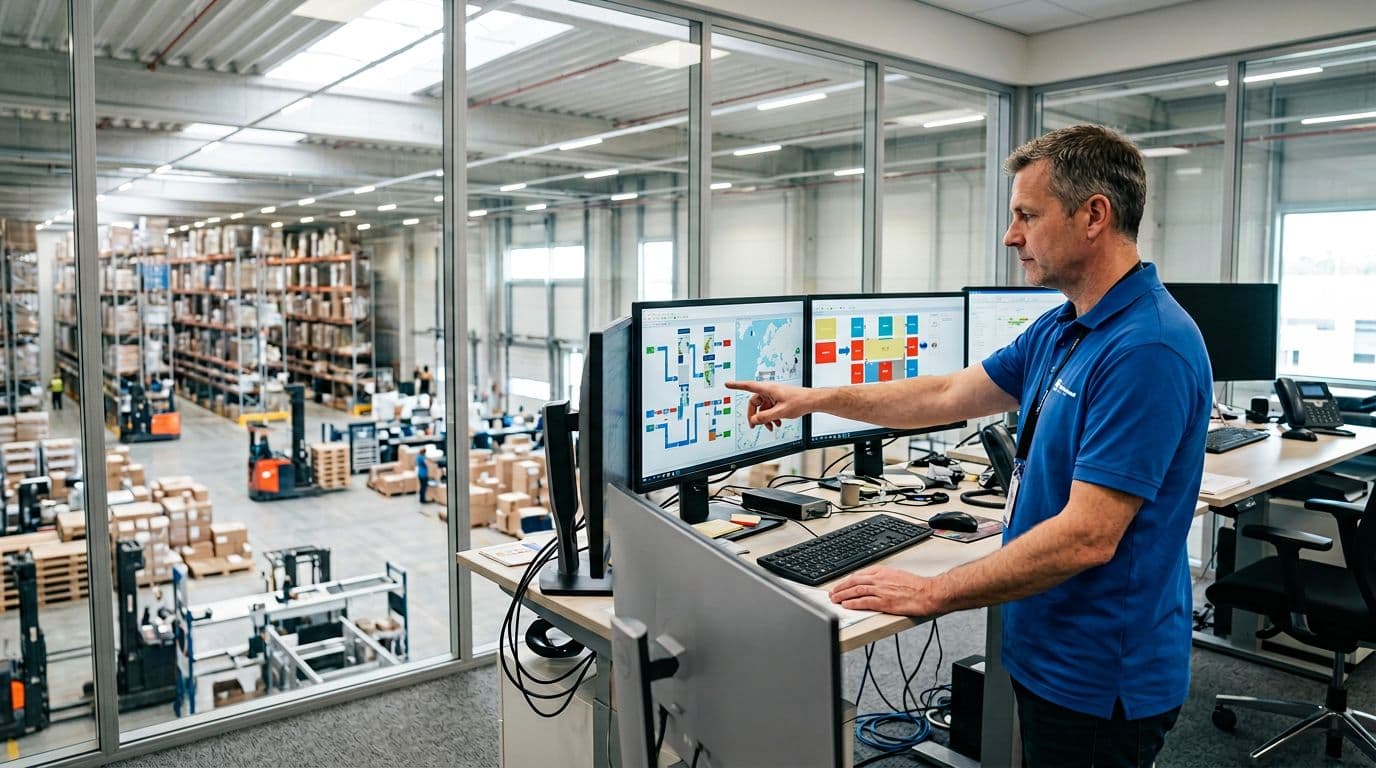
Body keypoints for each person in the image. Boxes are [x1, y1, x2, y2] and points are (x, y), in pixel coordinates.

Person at [726, 124, 1211, 768]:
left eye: (1027, 215)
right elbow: (947, 393)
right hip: (1048, 641)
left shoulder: (1147, 348)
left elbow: (1087, 538)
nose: (1011, 236)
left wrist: (933, 592)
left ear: (1094, 215)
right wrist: (816, 398)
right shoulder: (1064, 326)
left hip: (1100, 672)